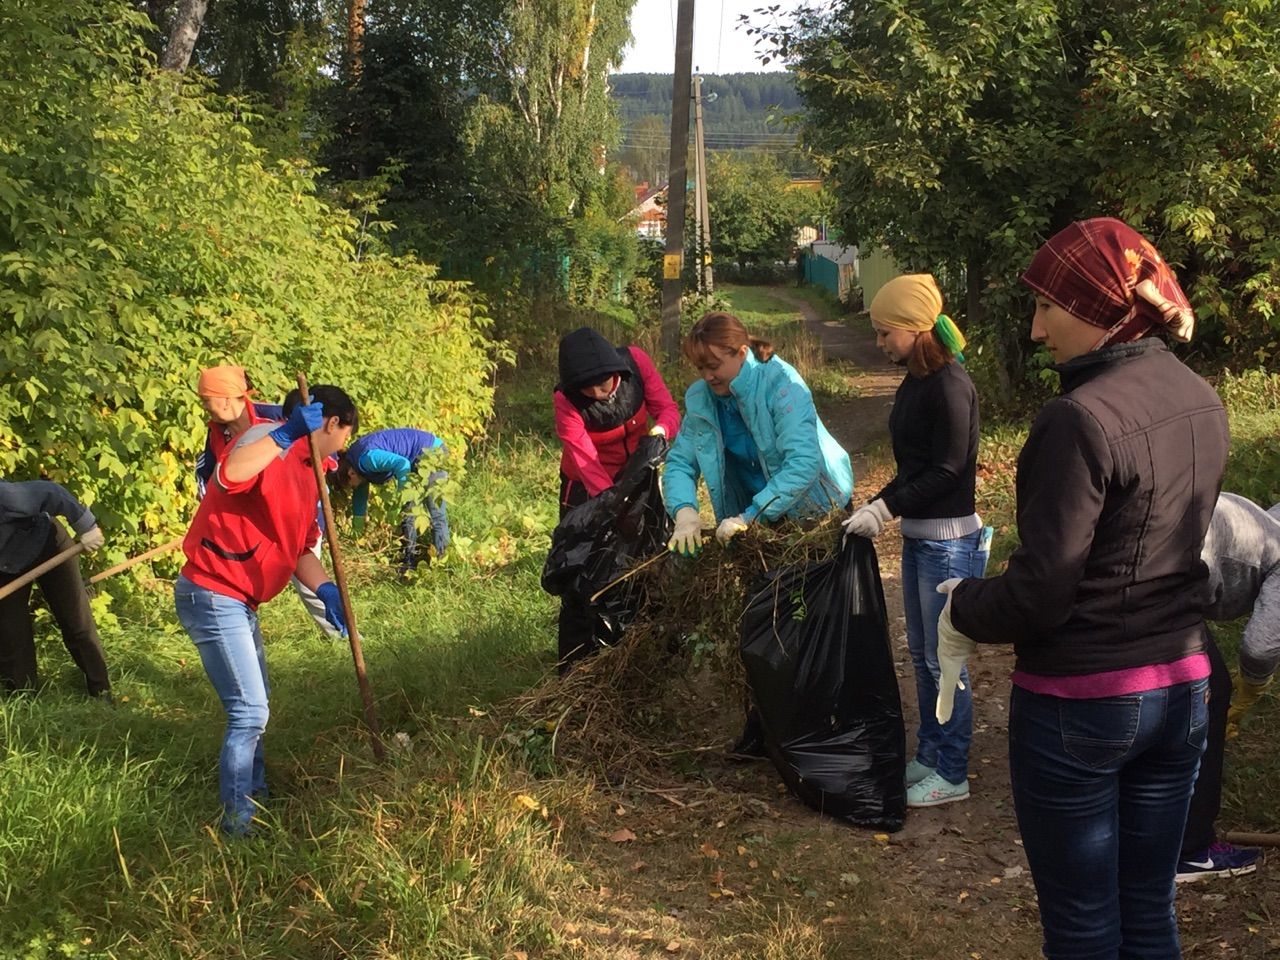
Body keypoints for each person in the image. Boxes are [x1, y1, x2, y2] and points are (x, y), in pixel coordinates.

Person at [936, 218, 1228, 958]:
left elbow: (1042, 592)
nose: (1035, 331)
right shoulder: (1200, 397)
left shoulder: (1079, 418)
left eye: (1045, 308)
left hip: (1086, 705)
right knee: (1148, 911)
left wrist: (962, 606)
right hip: (1184, 688)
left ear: (1101, 308)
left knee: (1083, 926)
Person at [665, 312, 854, 756]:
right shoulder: (701, 400)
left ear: (741, 351)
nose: (709, 375)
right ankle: (765, 724)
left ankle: (821, 723)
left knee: (809, 621)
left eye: (716, 364)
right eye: (701, 367)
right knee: (759, 621)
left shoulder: (780, 383)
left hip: (811, 514)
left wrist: (753, 513)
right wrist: (685, 511)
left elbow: (803, 463)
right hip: (750, 524)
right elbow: (680, 462)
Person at [175, 385, 357, 835]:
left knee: (256, 705)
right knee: (250, 711)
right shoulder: (263, 440)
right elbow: (229, 475)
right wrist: (285, 435)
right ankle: (238, 823)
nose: (344, 448)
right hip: (214, 591)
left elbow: (298, 549)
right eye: (345, 436)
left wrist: (326, 590)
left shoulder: (307, 469)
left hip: (240, 599)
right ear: (329, 424)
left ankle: (256, 794)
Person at [842, 274, 988, 808]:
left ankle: (952, 773)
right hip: (921, 540)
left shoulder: (951, 385)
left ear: (911, 328)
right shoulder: (917, 381)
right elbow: (914, 468)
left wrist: (886, 507)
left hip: (950, 544)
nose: (880, 343)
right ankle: (930, 754)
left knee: (945, 662)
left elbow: (948, 470)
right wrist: (877, 502)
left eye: (885, 333)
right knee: (923, 656)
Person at [552, 326, 681, 671]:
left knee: (646, 560)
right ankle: (578, 664)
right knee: (585, 571)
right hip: (587, 491)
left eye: (605, 383)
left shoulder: (636, 363)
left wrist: (659, 432)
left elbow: (668, 410)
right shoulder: (566, 400)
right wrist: (612, 507)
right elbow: (585, 460)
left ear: (617, 372)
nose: (598, 392)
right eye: (588, 387)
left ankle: (644, 650)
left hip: (638, 478)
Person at [1174, 492, 1280, 882]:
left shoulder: (1270, 523)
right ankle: (1190, 849)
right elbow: (1261, 645)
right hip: (1170, 575)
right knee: (1212, 694)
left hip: (1157, 539)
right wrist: (1253, 688)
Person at [194, 366, 338, 640]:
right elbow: (211, 476)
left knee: (311, 582)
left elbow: (315, 454)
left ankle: (342, 633)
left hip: (294, 515)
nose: (205, 407)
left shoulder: (273, 416)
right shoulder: (216, 434)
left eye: (206, 399)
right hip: (251, 527)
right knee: (247, 580)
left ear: (225, 397)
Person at [0, 480, 110, 698]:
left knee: (75, 619)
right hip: (6, 565)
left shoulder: (6, 498)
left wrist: (87, 528)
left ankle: (102, 692)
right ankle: (23, 700)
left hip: (47, 544)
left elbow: (51, 492)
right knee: (10, 633)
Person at [335, 428, 451, 574]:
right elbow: (359, 500)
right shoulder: (355, 466)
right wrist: (356, 536)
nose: (353, 488)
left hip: (432, 452)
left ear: (350, 474)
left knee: (435, 512)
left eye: (351, 486)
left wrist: (399, 500)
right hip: (415, 459)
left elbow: (402, 464)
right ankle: (408, 563)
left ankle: (440, 565)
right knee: (409, 515)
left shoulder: (367, 459)